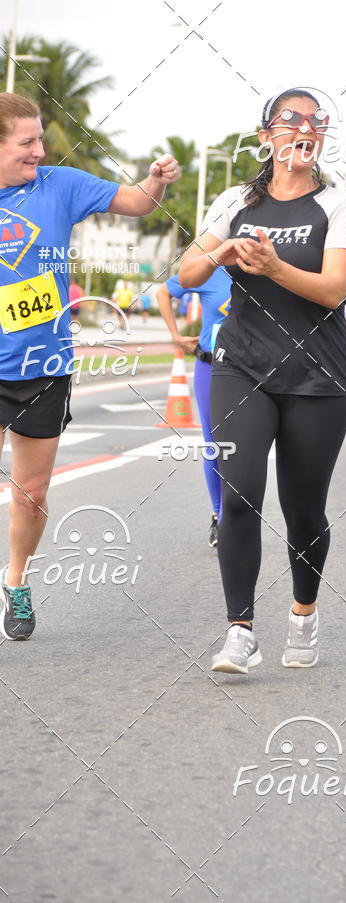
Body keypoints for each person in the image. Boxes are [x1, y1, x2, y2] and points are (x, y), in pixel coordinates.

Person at [179, 87, 346, 674]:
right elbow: (186, 271)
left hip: (316, 375)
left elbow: (334, 288)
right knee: (237, 495)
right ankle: (240, 632)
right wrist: (221, 251)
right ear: (267, 136)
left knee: (303, 509)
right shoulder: (236, 199)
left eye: (316, 122)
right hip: (240, 366)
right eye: (290, 120)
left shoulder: (341, 205)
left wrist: (275, 266)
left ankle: (303, 614)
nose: (304, 129)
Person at [0, 92, 180, 640]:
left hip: (43, 365)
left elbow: (137, 202)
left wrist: (158, 181)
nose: (39, 149)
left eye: (39, 138)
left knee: (30, 493)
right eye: (26, 141)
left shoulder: (61, 184)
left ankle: (17, 585)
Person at [156, 268, 232, 547]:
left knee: (243, 445)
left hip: (251, 370)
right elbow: (163, 291)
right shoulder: (211, 270)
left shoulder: (265, 268)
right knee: (214, 443)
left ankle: (238, 514)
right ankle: (219, 515)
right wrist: (175, 335)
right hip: (210, 366)